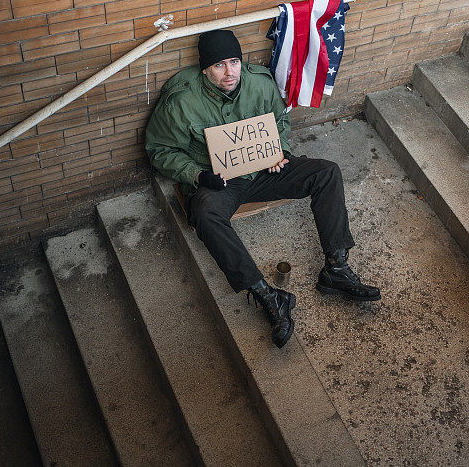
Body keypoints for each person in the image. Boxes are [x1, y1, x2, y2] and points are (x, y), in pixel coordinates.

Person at [145, 29, 380, 349]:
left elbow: (279, 121)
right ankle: (268, 296)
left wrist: (279, 150)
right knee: (203, 213)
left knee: (326, 173)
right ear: (204, 70)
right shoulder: (181, 101)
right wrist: (198, 176)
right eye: (219, 66)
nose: (229, 72)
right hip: (221, 181)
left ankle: (336, 269)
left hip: (264, 171)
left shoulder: (260, 82)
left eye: (234, 62)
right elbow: (160, 150)